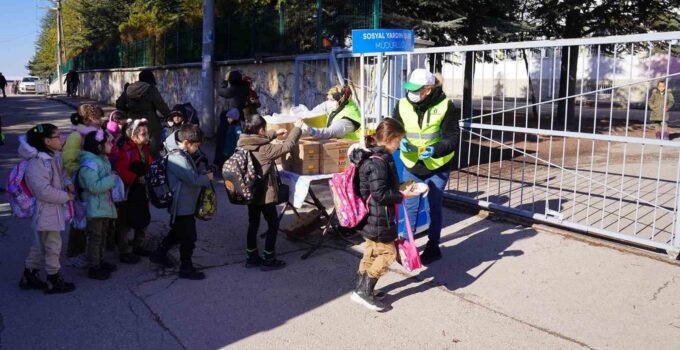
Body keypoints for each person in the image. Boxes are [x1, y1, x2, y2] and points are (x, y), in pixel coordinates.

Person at [348, 118, 419, 311]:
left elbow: (379, 188)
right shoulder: (378, 162)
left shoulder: (375, 156)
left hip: (373, 217)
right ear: (388, 139)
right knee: (388, 254)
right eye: (398, 141)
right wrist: (402, 194)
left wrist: (400, 188)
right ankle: (365, 291)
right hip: (379, 217)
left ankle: (361, 288)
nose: (399, 145)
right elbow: (379, 194)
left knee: (371, 251)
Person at [393, 68, 459, 265]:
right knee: (410, 206)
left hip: (437, 166)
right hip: (411, 164)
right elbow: (396, 127)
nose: (411, 93)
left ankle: (433, 246)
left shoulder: (447, 106)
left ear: (428, 90)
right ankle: (407, 246)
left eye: (416, 89)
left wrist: (436, 149)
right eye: (410, 88)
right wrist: (400, 139)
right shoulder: (403, 104)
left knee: (433, 206)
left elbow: (453, 138)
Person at [238, 114, 303, 271]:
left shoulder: (242, 142)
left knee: (253, 223)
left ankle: (251, 256)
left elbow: (257, 139)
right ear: (261, 130)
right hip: (264, 195)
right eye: (265, 130)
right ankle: (269, 258)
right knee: (273, 224)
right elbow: (287, 146)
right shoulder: (266, 150)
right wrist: (297, 128)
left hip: (250, 192)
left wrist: (274, 133)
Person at [18, 124, 77, 294]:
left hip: (52, 209)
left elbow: (62, 174)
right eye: (58, 136)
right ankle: (53, 279)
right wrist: (66, 196)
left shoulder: (53, 156)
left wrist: (67, 183)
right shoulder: (38, 163)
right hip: (45, 210)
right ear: (47, 141)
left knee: (41, 245)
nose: (62, 138)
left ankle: (29, 274)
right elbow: (42, 191)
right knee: (53, 245)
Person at [150, 124, 213, 280]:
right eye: (196, 145)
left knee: (178, 232)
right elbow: (192, 179)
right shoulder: (177, 157)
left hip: (184, 202)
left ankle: (159, 254)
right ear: (186, 142)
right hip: (182, 204)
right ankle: (186, 267)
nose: (197, 149)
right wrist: (207, 178)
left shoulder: (180, 152)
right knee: (189, 237)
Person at [63, 104, 104, 268]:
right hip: (77, 181)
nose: (100, 122)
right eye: (96, 119)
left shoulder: (88, 134)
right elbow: (68, 160)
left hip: (85, 179)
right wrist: (80, 174)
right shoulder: (77, 136)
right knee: (79, 217)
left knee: (86, 216)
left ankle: (83, 250)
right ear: (87, 119)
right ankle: (74, 253)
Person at [78, 129, 118, 280]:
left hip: (103, 205)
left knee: (102, 235)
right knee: (95, 237)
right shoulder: (90, 164)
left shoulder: (101, 159)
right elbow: (93, 186)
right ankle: (93, 266)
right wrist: (111, 179)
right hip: (94, 207)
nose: (111, 144)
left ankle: (100, 260)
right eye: (107, 142)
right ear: (98, 146)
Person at [113, 119, 153, 264]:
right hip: (129, 191)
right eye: (143, 134)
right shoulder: (127, 150)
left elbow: (150, 164)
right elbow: (121, 170)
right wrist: (136, 178)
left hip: (142, 189)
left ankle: (139, 245)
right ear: (134, 136)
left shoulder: (145, 149)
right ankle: (124, 251)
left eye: (147, 133)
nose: (147, 136)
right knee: (125, 221)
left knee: (143, 217)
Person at [116, 69, 171, 158]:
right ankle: (152, 165)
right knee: (153, 148)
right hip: (150, 122)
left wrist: (128, 112)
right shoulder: (150, 89)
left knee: (132, 144)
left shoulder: (129, 89)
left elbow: (119, 104)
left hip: (132, 122)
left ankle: (133, 162)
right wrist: (170, 117)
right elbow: (161, 105)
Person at [214, 70, 250, 169]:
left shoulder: (233, 89)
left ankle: (223, 163)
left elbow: (221, 91)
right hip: (239, 116)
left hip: (229, 118)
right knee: (237, 140)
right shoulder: (245, 88)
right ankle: (239, 162)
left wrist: (224, 80)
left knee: (224, 140)